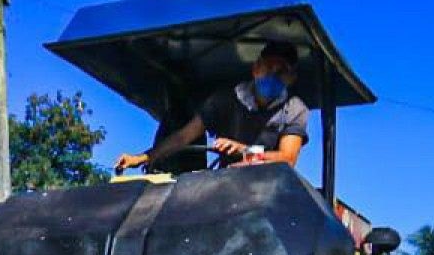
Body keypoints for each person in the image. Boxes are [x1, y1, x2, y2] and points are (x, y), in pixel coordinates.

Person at [114, 40, 310, 175]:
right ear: (256, 68)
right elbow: (183, 137)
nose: (273, 75)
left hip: (266, 190)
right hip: (222, 186)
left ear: (291, 78)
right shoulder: (224, 100)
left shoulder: (295, 109)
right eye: (269, 67)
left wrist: (244, 151)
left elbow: (287, 158)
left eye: (281, 71)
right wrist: (143, 158)